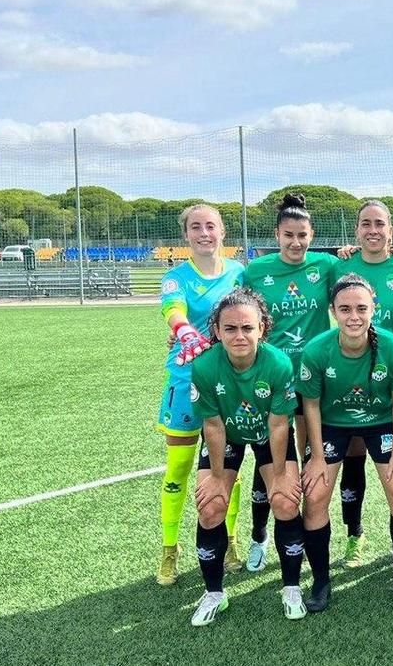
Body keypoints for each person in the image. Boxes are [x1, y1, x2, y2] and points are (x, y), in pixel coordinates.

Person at [297, 274, 393, 609]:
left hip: (380, 422)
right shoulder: (316, 351)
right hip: (331, 423)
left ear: (374, 309)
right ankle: (321, 582)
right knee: (315, 495)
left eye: (362, 308)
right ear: (333, 311)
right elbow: (309, 404)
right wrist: (317, 457)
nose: (354, 316)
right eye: (345, 309)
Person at [187, 288, 305, 625]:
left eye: (247, 328)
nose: (240, 336)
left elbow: (279, 424)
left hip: (270, 434)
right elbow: (212, 425)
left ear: (262, 328)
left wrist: (280, 473)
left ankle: (291, 587)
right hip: (226, 435)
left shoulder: (279, 363)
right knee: (211, 507)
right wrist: (214, 478)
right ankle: (214, 593)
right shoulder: (205, 367)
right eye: (230, 329)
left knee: (284, 501)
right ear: (217, 331)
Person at [240, 194, 338, 571]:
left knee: (310, 456)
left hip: (315, 379)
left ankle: (305, 530)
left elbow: (359, 271)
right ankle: (259, 537)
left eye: (302, 235)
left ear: (312, 236)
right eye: (288, 235)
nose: (296, 243)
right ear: (277, 235)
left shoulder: (326, 265)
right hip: (271, 379)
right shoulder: (255, 272)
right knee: (270, 461)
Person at [330, 200, 393, 568]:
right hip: (347, 384)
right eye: (366, 223)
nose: (373, 230)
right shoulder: (340, 267)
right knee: (352, 463)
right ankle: (355, 535)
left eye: (380, 224)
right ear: (356, 231)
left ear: (391, 231)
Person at [155, 204, 246, 587]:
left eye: (211, 226)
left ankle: (230, 542)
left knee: (228, 470)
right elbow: (172, 310)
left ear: (222, 232)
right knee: (178, 467)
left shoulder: (240, 273)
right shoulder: (176, 277)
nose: (204, 233)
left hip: (228, 384)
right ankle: (169, 550)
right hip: (185, 382)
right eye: (196, 227)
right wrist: (184, 331)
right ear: (186, 235)